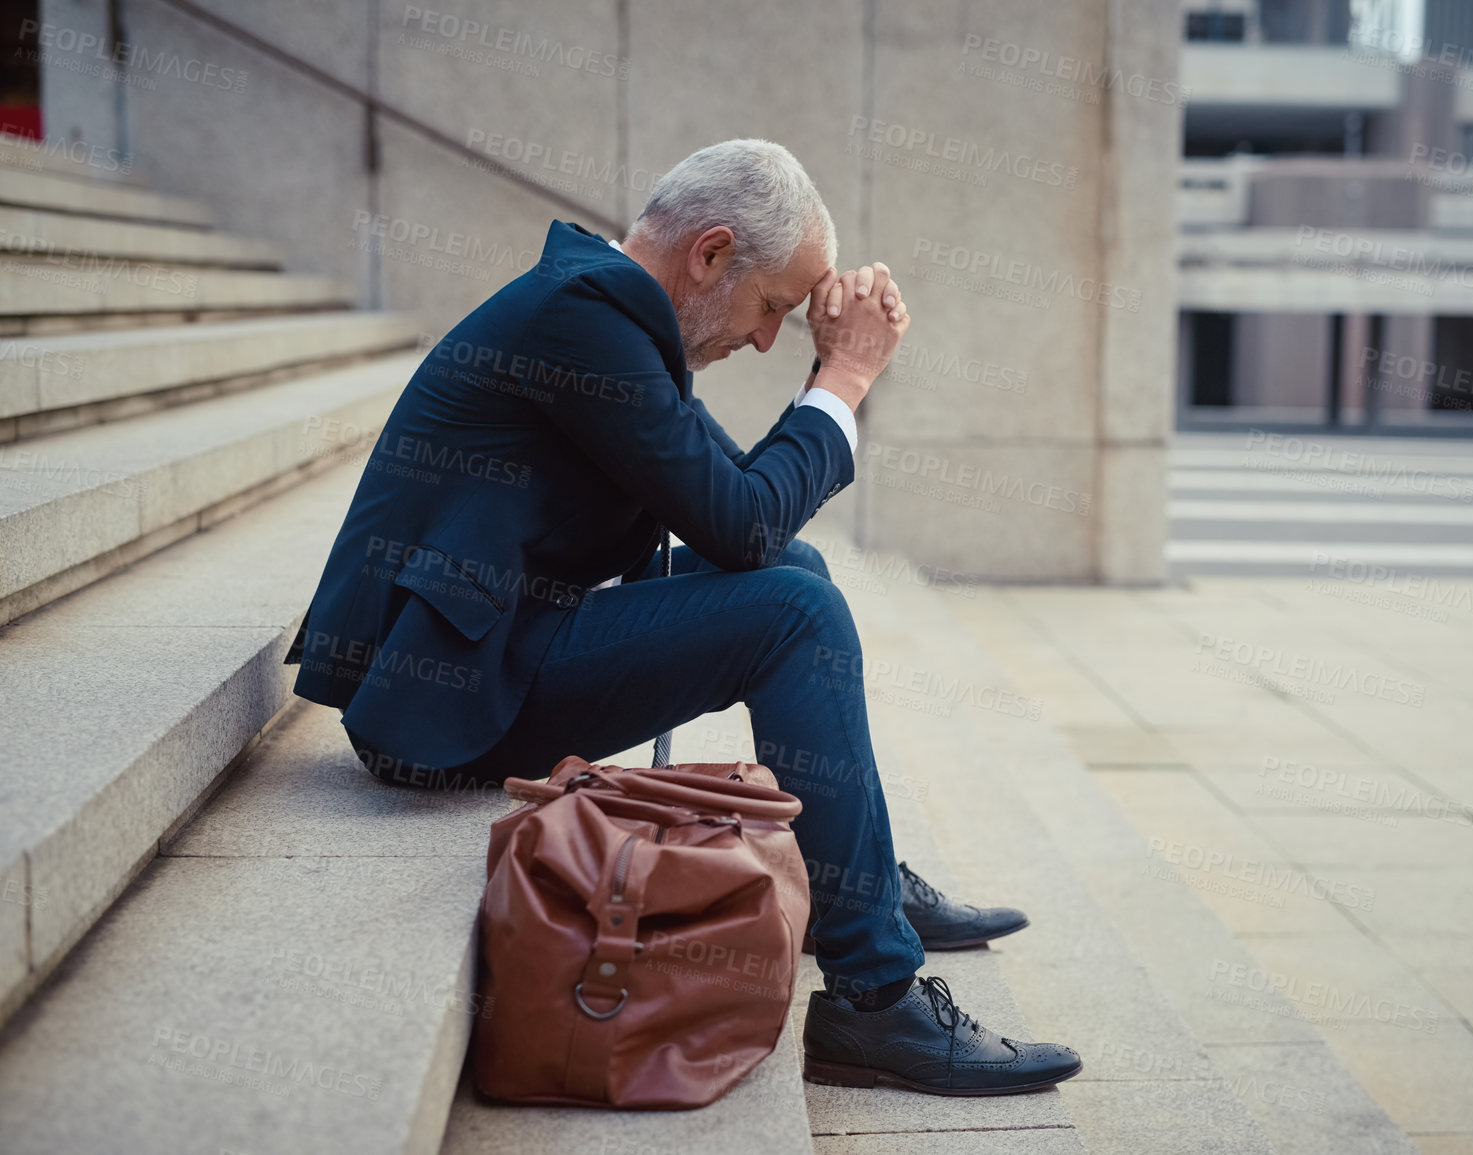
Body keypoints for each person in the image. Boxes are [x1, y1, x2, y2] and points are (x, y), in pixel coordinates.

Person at [286, 138, 1081, 1096]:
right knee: (790, 608)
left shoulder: (604, 309)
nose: (760, 340)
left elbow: (739, 508)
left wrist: (832, 367)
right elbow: (738, 520)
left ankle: (853, 878)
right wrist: (845, 379)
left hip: (499, 636)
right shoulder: (585, 319)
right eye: (771, 309)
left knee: (796, 571)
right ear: (709, 255)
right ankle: (875, 1000)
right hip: (443, 695)